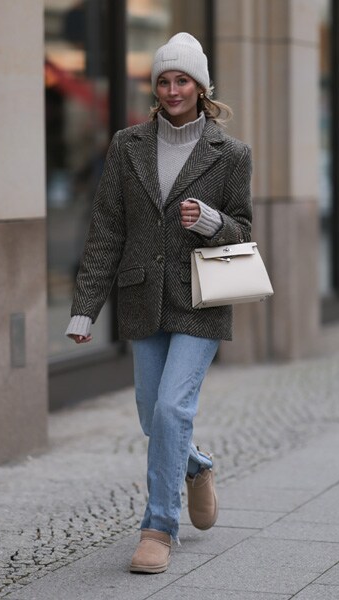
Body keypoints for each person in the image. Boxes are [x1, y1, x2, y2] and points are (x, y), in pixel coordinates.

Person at [65, 32, 252, 574]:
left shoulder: (230, 154)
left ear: (200, 87)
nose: (173, 90)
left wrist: (213, 221)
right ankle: (196, 467)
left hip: (200, 299)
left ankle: (158, 529)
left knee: (173, 409)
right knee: (153, 416)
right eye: (164, 81)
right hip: (142, 297)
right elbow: (106, 228)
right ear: (156, 88)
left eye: (183, 80)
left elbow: (243, 229)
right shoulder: (127, 145)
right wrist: (85, 308)